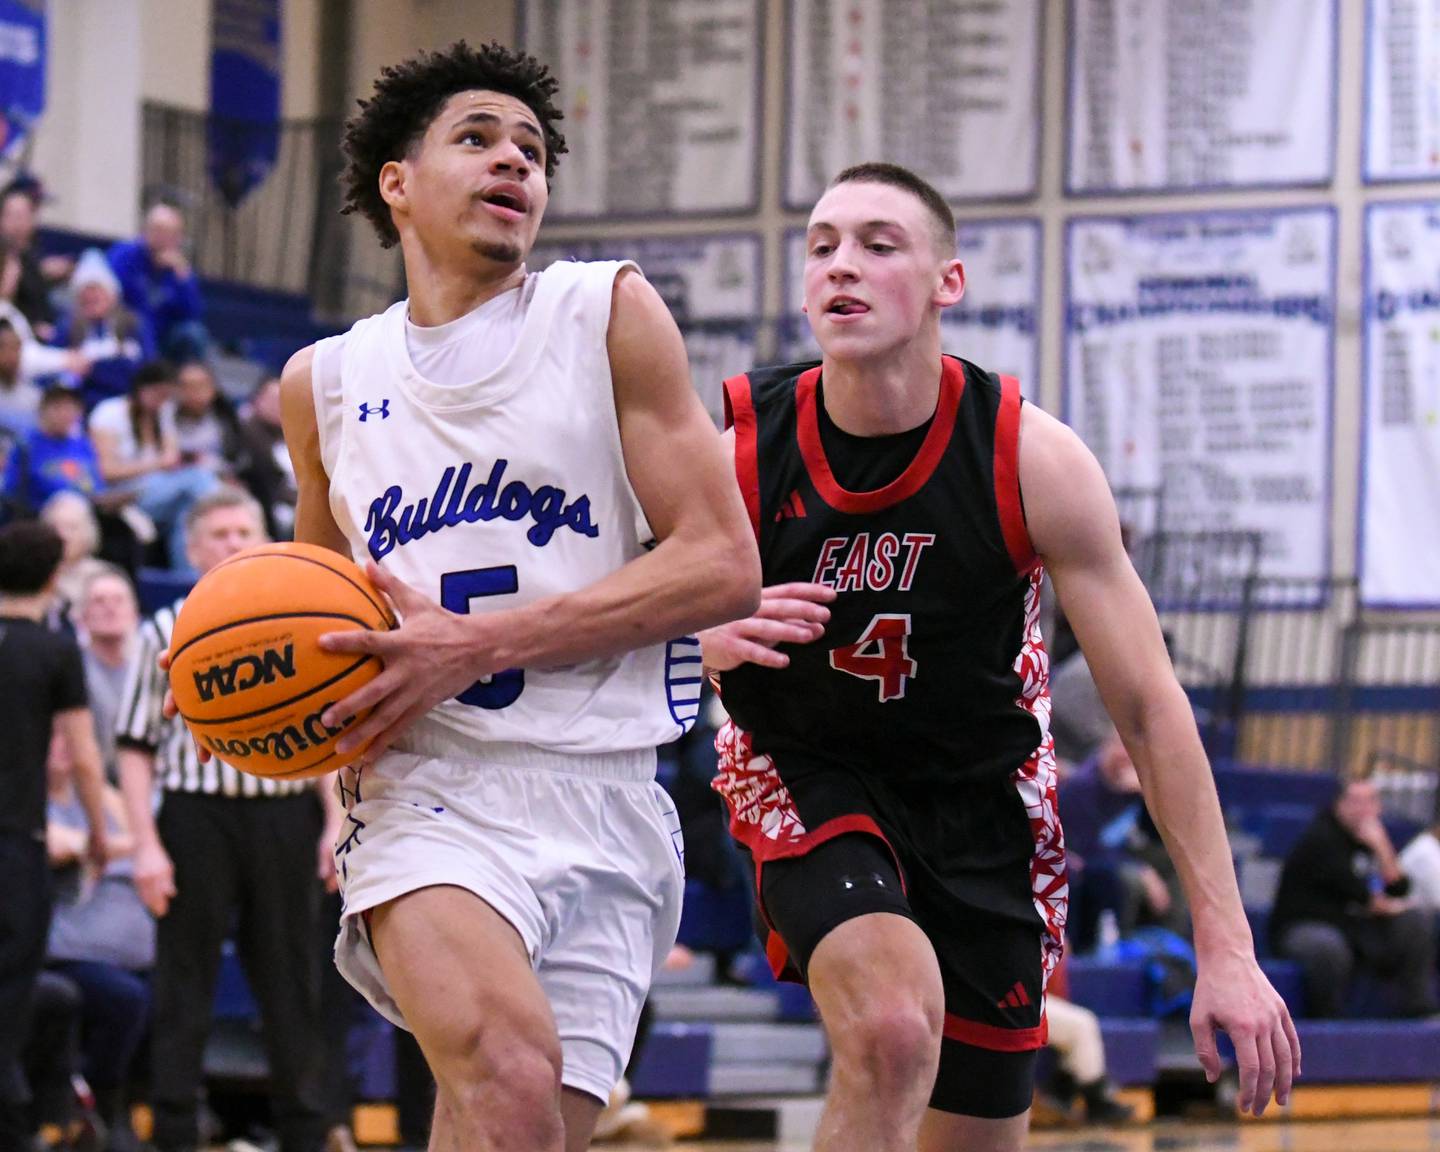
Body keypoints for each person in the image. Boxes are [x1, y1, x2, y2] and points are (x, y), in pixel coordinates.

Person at [699, 163, 1299, 1152]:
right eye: (822, 246)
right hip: (804, 766)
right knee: (892, 1030)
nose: (842, 266)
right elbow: (595, 598)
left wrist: (1225, 945)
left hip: (983, 805)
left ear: (949, 282)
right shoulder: (732, 442)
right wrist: (690, 631)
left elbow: (1149, 709)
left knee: (976, 1131)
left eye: (878, 244)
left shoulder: (1031, 457)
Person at [273, 41, 758, 1152]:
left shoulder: (607, 315)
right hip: (430, 787)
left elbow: (721, 565)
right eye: (478, 138)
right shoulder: (326, 384)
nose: (515, 163)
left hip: (608, 793)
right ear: (397, 181)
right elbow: (313, 615)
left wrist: (477, 644)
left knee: (518, 1129)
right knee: (509, 1071)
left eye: (532, 149)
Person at [116, 488, 341, 1152]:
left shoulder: (296, 620)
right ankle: (177, 1131)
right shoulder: (165, 630)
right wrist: (146, 845)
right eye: (217, 533)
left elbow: (323, 731)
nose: (232, 541)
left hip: (286, 815)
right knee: (184, 982)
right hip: (195, 818)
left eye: (244, 528)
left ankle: (306, 1130)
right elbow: (133, 748)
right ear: (191, 548)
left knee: (293, 983)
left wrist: (334, 822)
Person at [0, 520, 108, 1149]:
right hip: (17, 848)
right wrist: (97, 832)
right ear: (52, 577)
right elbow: (85, 758)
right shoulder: (54, 649)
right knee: (9, 1005)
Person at [46, 720, 152, 1152]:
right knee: (124, 998)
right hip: (66, 951)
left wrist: (108, 845)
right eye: (55, 736)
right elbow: (57, 844)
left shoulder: (101, 796)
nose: (67, 746)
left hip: (136, 954)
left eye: (74, 738)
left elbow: (145, 837)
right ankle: (100, 1102)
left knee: (173, 997)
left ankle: (118, 1109)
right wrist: (119, 845)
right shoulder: (25, 798)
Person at [1271, 777, 1438, 1019]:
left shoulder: (1369, 839)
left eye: (1370, 801)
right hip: (1305, 926)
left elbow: (1399, 889)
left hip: (1352, 926)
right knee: (1327, 948)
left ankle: (1419, 1009)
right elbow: (1364, 897)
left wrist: (1382, 847)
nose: (1363, 809)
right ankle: (1326, 1021)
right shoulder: (1322, 837)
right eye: (1354, 801)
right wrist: (1383, 905)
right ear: (1338, 805)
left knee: (1413, 922)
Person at [89, 360, 220, 572]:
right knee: (198, 478)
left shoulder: (163, 413)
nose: (162, 401)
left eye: (167, 396)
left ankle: (186, 580)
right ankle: (222, 514)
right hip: (122, 494)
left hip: (158, 491)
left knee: (187, 511)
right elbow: (108, 472)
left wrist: (166, 462)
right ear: (141, 389)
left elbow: (172, 457)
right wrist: (156, 463)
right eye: (158, 394)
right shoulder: (110, 412)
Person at [106, 203, 209, 364]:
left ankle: (188, 383)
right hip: (127, 328)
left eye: (171, 233)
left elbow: (193, 314)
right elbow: (108, 293)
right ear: (145, 230)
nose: (163, 238)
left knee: (193, 333)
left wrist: (183, 277)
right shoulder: (125, 255)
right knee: (140, 323)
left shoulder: (179, 268)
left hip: (165, 335)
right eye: (158, 230)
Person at [58, 250, 154, 409]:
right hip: (81, 405)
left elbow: (146, 370)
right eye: (85, 293)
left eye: (97, 291)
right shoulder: (67, 327)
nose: (90, 297)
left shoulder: (134, 325)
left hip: (127, 405)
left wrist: (93, 369)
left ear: (113, 295)